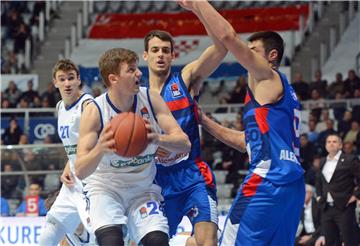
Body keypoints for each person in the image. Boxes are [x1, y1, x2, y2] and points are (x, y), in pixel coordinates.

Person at [178, 1, 305, 245]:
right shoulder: (277, 95)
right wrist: (204, 120)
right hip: (293, 185)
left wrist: (198, 3)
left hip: (267, 179)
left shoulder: (268, 76)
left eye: (253, 50)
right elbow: (246, 141)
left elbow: (227, 36)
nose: (246, 54)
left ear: (272, 56)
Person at [74, 48, 190, 246]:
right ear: (113, 78)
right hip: (106, 189)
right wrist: (100, 148)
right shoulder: (95, 111)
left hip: (143, 189)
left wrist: (158, 139)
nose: (139, 73)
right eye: (131, 70)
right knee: (111, 242)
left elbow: (184, 144)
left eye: (137, 68)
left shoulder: (151, 99)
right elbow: (80, 170)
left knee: (158, 242)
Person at [142, 27, 226, 245]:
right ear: (146, 55)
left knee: (208, 242)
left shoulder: (185, 79)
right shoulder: (137, 97)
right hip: (157, 182)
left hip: (192, 175)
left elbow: (221, 46)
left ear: (172, 55)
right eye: (155, 50)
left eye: (165, 50)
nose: (160, 54)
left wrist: (198, 7)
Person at [39, 59, 96, 246]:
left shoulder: (88, 105)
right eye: (62, 79)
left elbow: (96, 143)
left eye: (71, 78)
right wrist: (68, 166)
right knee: (51, 227)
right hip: (72, 182)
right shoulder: (59, 107)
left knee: (99, 235)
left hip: (93, 179)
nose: (67, 83)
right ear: (55, 82)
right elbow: (74, 146)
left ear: (79, 79)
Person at [315, 134, 360, 246]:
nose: (331, 144)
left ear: (340, 145)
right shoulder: (322, 161)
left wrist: (355, 195)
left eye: (334, 141)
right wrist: (319, 196)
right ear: (325, 145)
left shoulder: (350, 159)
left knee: (349, 240)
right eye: (328, 141)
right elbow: (319, 181)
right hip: (326, 207)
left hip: (344, 207)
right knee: (330, 241)